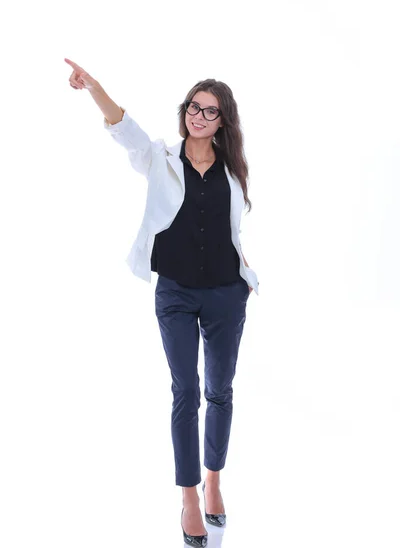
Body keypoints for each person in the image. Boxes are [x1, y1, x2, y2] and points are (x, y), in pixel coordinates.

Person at [65, 58, 260, 547]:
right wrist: (95, 87)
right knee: (185, 392)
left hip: (224, 295)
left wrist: (242, 276)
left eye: (210, 111)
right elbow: (122, 127)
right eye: (194, 106)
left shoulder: (233, 171)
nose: (198, 115)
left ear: (223, 121)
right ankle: (189, 494)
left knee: (220, 391)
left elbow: (230, 230)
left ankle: (214, 479)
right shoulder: (160, 158)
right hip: (174, 292)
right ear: (186, 111)